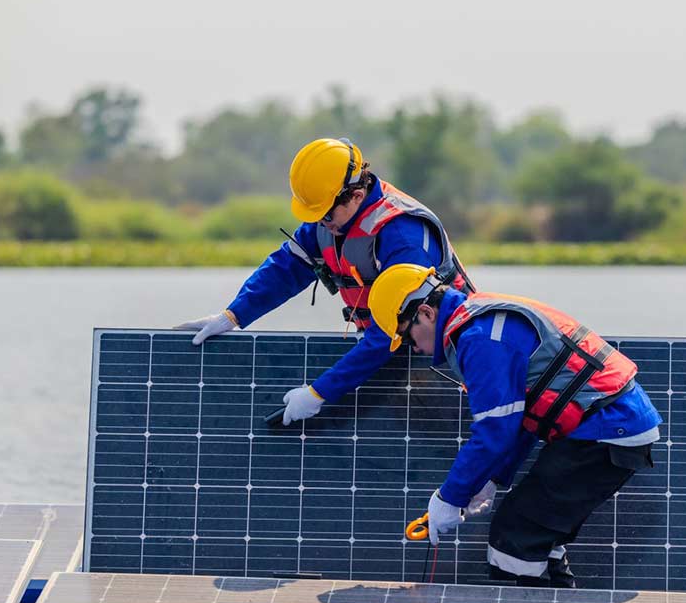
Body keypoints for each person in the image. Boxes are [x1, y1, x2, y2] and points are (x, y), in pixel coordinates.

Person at [366, 264, 662, 588]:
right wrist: (492, 480)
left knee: (514, 538)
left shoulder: (480, 338)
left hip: (607, 427)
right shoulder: (479, 320)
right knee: (535, 533)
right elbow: (521, 419)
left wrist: (449, 497)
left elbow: (495, 432)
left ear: (425, 312)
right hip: (609, 424)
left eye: (408, 339)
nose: (417, 350)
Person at [175, 137, 475, 425]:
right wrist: (232, 316)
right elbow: (285, 268)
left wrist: (320, 392)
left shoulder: (403, 234)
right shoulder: (330, 220)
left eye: (324, 213)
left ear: (356, 195)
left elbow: (390, 331)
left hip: (449, 358)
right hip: (390, 354)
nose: (320, 222)